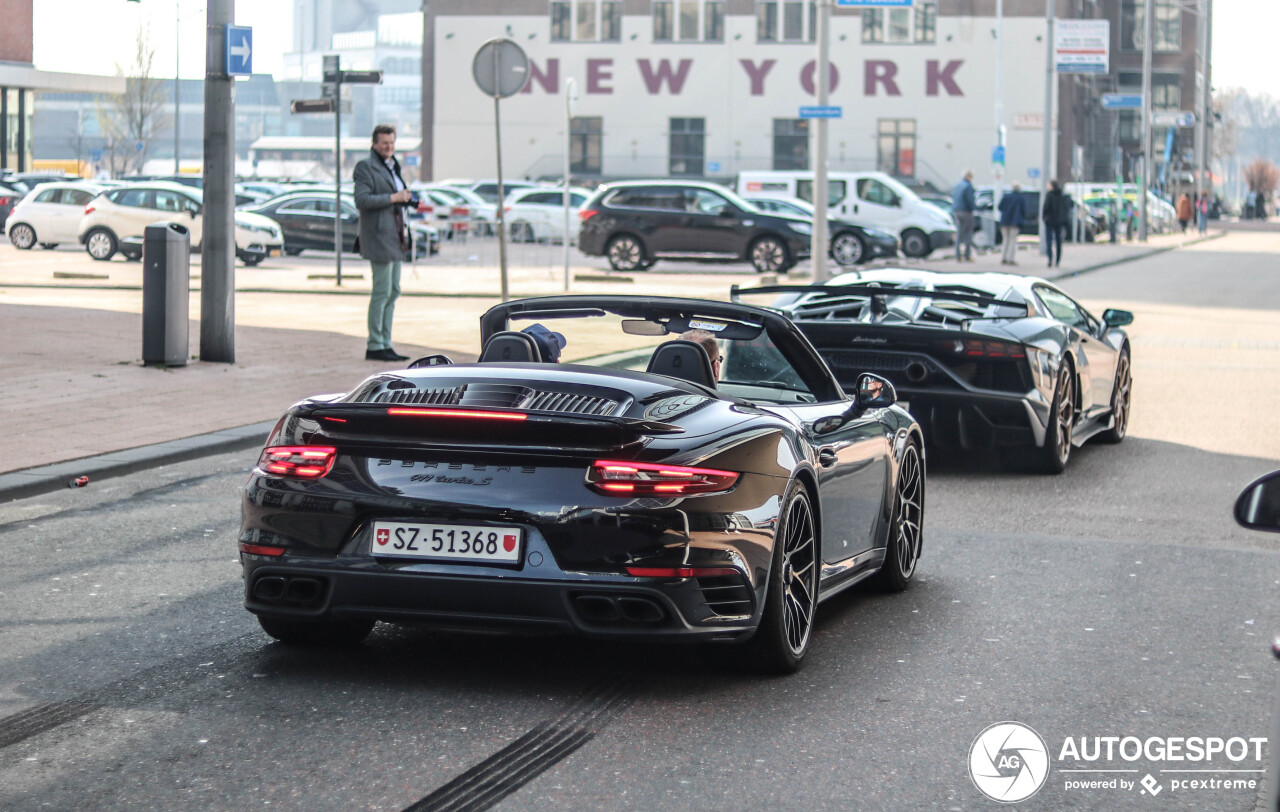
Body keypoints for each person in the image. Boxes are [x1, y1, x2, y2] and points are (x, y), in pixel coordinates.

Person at [354, 124, 414, 362]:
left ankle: (385, 342)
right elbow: (362, 199)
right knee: (381, 291)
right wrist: (394, 197)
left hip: (396, 236)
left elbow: (395, 196)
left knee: (394, 290)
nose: (389, 147)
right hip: (379, 237)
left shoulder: (392, 166)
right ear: (374, 144)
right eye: (384, 143)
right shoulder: (365, 167)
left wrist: (406, 198)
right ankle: (375, 344)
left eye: (392, 142)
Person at [997, 183, 1027, 265]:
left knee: (1005, 240)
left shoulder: (1006, 196)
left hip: (1005, 221)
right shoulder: (1021, 198)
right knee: (1013, 240)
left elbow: (999, 207)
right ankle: (1010, 259)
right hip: (1015, 222)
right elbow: (1024, 211)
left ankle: (1003, 257)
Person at [1041, 179, 1069, 268]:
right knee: (1058, 241)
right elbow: (1065, 208)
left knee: (1049, 240)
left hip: (1050, 221)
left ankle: (1050, 258)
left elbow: (1046, 208)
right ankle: (1057, 260)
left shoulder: (1049, 195)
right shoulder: (1061, 195)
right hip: (1059, 221)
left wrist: (1045, 218)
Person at [951, 170, 977, 262]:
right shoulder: (968, 186)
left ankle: (957, 255)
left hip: (956, 211)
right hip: (966, 212)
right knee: (968, 234)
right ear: (969, 176)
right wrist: (974, 208)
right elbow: (970, 200)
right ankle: (967, 255)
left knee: (959, 234)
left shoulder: (957, 186)